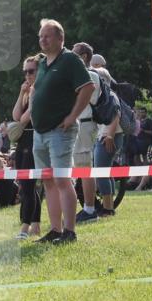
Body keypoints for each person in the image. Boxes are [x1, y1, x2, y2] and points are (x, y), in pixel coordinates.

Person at [29, 19, 97, 245]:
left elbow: (87, 87)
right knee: (48, 182)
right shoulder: (42, 63)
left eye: (47, 36)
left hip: (60, 131)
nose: (42, 40)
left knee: (62, 180)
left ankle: (69, 231)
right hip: (40, 132)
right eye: (40, 36)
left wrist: (72, 116)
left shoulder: (69, 60)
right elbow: (37, 90)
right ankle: (55, 230)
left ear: (60, 38)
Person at [12, 56, 44, 239]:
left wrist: (20, 122)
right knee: (26, 185)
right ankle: (35, 224)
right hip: (23, 140)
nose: (27, 75)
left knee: (28, 185)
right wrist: (21, 93)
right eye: (25, 72)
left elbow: (26, 118)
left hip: (34, 138)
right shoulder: (28, 91)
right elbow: (17, 115)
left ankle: (25, 226)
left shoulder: (40, 90)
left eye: (31, 71)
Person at [70, 42, 99, 224]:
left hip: (85, 124)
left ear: (84, 56)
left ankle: (90, 209)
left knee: (84, 167)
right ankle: (87, 207)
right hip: (82, 125)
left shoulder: (90, 75)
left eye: (74, 54)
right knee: (80, 167)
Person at [92, 66, 122, 217]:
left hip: (108, 137)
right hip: (105, 136)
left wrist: (109, 136)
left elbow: (116, 115)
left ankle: (108, 208)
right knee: (105, 172)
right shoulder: (105, 95)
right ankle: (108, 206)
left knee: (101, 172)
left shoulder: (109, 95)